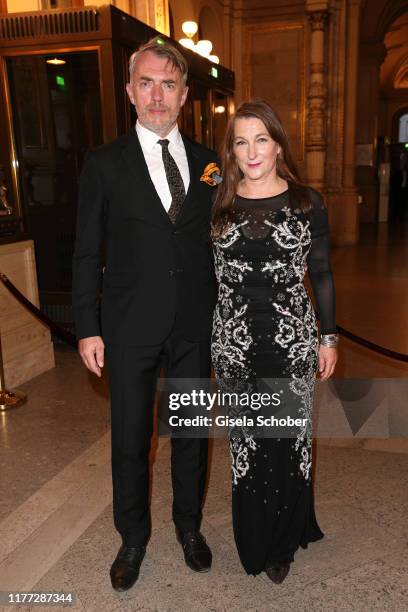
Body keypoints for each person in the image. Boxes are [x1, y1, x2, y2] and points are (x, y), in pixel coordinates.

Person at [72, 37, 217, 591]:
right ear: (131, 92)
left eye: (169, 84)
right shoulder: (104, 164)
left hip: (192, 325)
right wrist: (88, 326)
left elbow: (218, 241)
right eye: (147, 83)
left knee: (191, 434)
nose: (158, 95)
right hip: (129, 326)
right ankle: (132, 538)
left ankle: (189, 527)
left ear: (184, 96)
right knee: (131, 437)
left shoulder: (208, 164)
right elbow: (87, 251)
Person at [211, 100, 337, 583]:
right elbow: (208, 276)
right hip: (235, 343)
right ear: (232, 151)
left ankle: (283, 541)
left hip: (291, 341)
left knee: (286, 440)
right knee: (247, 444)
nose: (252, 150)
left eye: (261, 138)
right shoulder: (219, 200)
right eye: (241, 141)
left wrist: (330, 337)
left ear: (278, 144)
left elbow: (322, 274)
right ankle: (254, 537)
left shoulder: (307, 201)